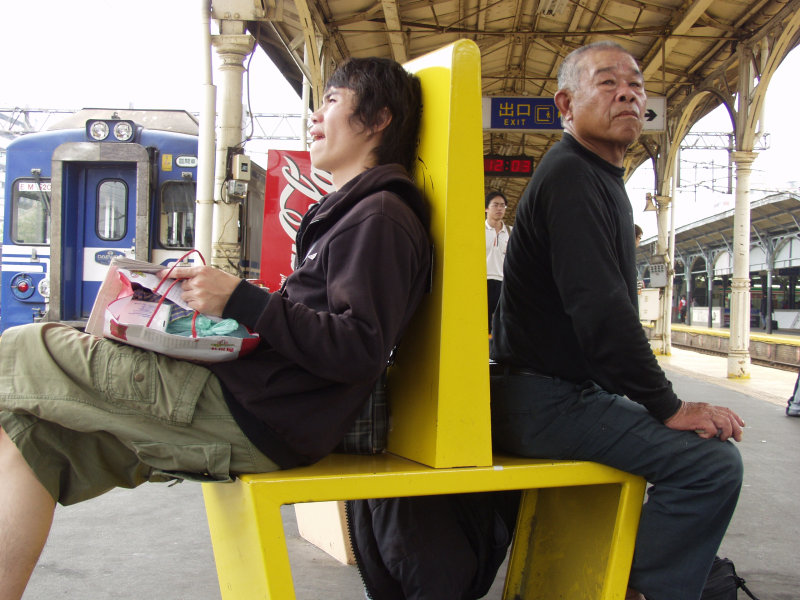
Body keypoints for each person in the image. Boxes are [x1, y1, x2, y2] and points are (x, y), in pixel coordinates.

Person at [0, 57, 431, 600]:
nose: (315, 118)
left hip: (250, 414)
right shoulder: (356, 215)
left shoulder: (381, 218)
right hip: (253, 408)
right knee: (34, 441)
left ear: (378, 120)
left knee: (21, 348)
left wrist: (242, 298)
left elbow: (358, 348)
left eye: (332, 101)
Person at [489, 41, 745, 600]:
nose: (628, 92)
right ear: (565, 104)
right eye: (607, 83)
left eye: (635, 85)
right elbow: (602, 312)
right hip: (544, 401)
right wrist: (669, 406)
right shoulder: (572, 178)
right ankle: (635, 589)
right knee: (711, 466)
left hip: (545, 396)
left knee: (699, 452)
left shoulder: (594, 178)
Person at [485, 190, 511, 332]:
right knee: (483, 322)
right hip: (482, 282)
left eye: (503, 205)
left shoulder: (511, 232)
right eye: (495, 205)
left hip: (503, 283)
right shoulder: (477, 230)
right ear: (486, 208)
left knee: (502, 324)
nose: (500, 208)